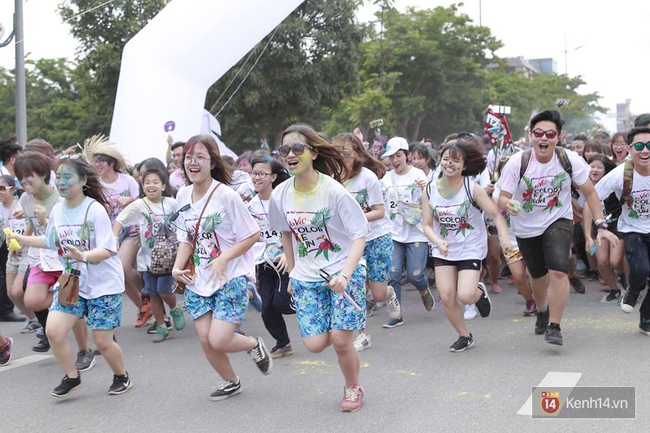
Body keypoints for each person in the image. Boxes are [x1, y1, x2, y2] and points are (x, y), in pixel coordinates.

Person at [9, 157, 132, 397]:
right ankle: (73, 377)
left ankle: (121, 375)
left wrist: (83, 255)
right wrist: (22, 240)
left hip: (104, 285)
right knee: (53, 331)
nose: (62, 183)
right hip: (72, 281)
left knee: (103, 341)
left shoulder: (94, 209)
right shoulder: (58, 209)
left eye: (68, 177)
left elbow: (108, 249)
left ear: (83, 180)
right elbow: (50, 241)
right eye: (60, 177)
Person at [268, 124, 368, 412]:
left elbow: (359, 235)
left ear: (313, 152)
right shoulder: (281, 194)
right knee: (314, 343)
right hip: (306, 277)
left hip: (343, 271)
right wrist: (291, 272)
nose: (290, 154)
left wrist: (345, 276)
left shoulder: (334, 191)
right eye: (284, 150)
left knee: (340, 339)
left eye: (297, 148)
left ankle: (352, 387)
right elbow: (285, 231)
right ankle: (339, 327)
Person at [497, 110, 618, 346]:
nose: (544, 138)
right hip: (526, 227)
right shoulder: (517, 162)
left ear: (558, 136)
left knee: (559, 271)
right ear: (531, 136)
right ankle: (541, 308)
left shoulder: (569, 159)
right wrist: (509, 203)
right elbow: (501, 198)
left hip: (558, 220)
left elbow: (590, 192)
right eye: (538, 133)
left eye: (549, 134)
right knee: (538, 275)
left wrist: (601, 223)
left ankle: (554, 325)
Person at [171, 134, 271, 402]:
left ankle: (252, 344)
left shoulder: (226, 195)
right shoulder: (182, 194)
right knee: (205, 339)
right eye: (189, 157)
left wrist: (225, 258)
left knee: (219, 339)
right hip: (197, 279)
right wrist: (176, 268)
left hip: (230, 278)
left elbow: (252, 235)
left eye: (200, 157)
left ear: (212, 163)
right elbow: (186, 238)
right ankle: (231, 381)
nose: (193, 162)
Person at [422, 138, 509, 352]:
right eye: (445, 160)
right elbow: (426, 224)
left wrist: (505, 240)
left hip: (470, 246)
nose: (449, 164)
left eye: (455, 161)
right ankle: (465, 335)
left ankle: (478, 292)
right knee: (447, 296)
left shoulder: (472, 187)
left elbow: (495, 215)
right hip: (444, 248)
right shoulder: (430, 189)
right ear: (440, 161)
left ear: (464, 165)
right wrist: (437, 241)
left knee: (466, 295)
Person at [14, 152, 92, 363]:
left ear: (42, 174)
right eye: (20, 176)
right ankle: (76, 302)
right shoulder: (24, 199)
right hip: (41, 256)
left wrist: (46, 219)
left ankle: (84, 351)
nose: (24, 180)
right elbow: (31, 222)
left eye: (28, 174)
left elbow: (67, 231)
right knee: (32, 300)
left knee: (69, 301)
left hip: (64, 255)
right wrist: (21, 240)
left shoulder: (61, 197)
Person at [333, 133, 401, 352]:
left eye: (347, 152)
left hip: (377, 237)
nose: (343, 157)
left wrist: (356, 218)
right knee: (356, 288)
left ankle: (390, 295)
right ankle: (364, 333)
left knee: (378, 294)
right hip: (353, 242)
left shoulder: (368, 177)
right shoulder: (333, 179)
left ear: (357, 153)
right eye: (339, 153)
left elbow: (380, 212)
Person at [584, 127, 650, 335]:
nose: (645, 150)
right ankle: (633, 290)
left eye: (649, 145)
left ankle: (646, 320)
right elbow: (592, 197)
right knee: (640, 270)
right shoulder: (621, 174)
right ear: (630, 149)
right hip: (633, 229)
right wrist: (596, 227)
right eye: (639, 146)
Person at [114, 167, 185, 343]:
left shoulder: (172, 203)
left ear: (163, 186)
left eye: (155, 182)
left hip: (169, 259)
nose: (151, 185)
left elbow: (185, 221)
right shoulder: (138, 205)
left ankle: (174, 308)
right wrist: (114, 237)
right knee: (153, 294)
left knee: (164, 291)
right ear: (142, 186)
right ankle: (161, 326)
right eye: (147, 182)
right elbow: (120, 220)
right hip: (147, 260)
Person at [85, 138, 149, 328]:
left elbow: (143, 201)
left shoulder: (127, 180)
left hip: (130, 230)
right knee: (119, 273)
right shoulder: (94, 183)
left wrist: (128, 199)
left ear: (111, 163)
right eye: (95, 162)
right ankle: (145, 307)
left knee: (121, 267)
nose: (97, 165)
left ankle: (148, 296)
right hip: (106, 233)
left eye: (101, 161)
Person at [380, 137, 435, 328]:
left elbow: (429, 202)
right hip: (394, 233)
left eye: (398, 155)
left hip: (416, 232)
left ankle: (424, 290)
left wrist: (425, 190)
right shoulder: (386, 179)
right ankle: (396, 315)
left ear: (406, 155)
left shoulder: (419, 176)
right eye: (391, 157)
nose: (395, 160)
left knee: (415, 274)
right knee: (393, 274)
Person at [247, 156, 295, 358]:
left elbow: (296, 229)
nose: (256, 178)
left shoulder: (284, 199)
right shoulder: (250, 205)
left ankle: (312, 305)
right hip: (263, 262)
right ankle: (283, 343)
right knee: (267, 307)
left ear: (273, 176)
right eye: (254, 173)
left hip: (285, 260)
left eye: (262, 174)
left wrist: (287, 253)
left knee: (281, 302)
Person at [581, 155, 626, 301]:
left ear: (606, 170)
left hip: (617, 224)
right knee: (602, 262)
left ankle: (626, 279)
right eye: (592, 167)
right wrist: (588, 236)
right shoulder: (586, 186)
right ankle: (614, 289)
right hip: (599, 227)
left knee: (615, 261)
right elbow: (586, 212)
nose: (595, 170)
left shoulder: (613, 182)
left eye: (599, 167)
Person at [0, 175, 39, 332]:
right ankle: (35, 319)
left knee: (17, 290)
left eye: (2, 188)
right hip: (11, 253)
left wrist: (22, 242)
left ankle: (41, 318)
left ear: (13, 189)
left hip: (27, 252)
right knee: (11, 294)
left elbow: (32, 225)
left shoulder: (21, 206)